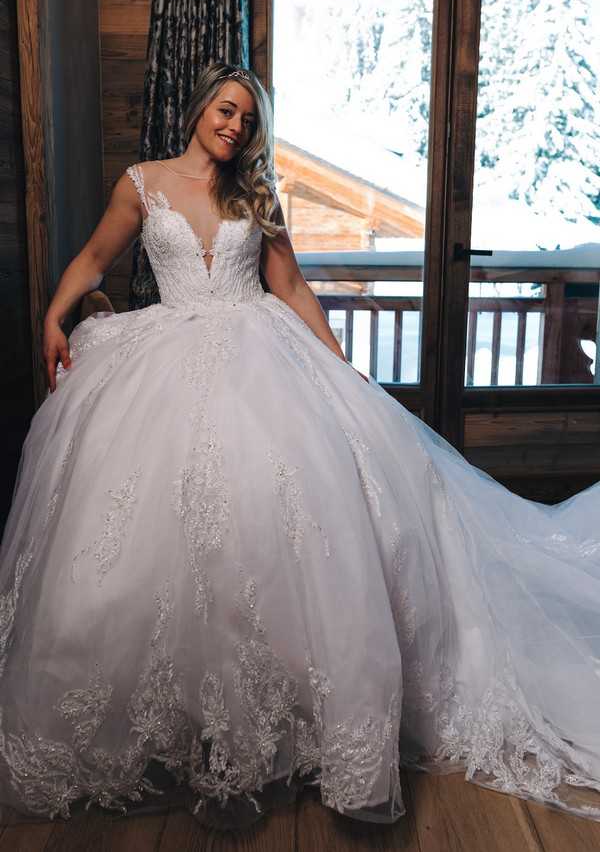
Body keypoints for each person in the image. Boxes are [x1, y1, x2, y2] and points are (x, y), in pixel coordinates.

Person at [1, 60, 600, 830]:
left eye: (248, 119)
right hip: (162, 365)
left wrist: (335, 362)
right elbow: (92, 260)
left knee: (270, 533)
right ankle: (192, 731)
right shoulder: (141, 184)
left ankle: (269, 731)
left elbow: (288, 288)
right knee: (166, 545)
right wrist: (55, 314)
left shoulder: (255, 194)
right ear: (198, 110)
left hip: (261, 362)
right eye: (225, 110)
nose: (235, 126)